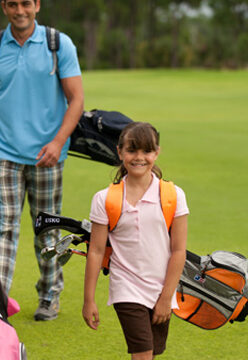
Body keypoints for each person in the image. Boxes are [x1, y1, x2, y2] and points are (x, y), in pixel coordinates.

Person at [0, 0, 84, 321]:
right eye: (13, 4)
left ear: (37, 5)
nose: (20, 10)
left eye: (26, 3)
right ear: (4, 7)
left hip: (48, 156)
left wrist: (58, 143)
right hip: (3, 154)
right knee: (3, 227)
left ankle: (49, 295)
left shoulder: (59, 44)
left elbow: (77, 99)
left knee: (47, 229)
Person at [82, 122, 189, 360]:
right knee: (142, 354)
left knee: (150, 354)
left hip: (161, 289)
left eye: (146, 151)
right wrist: (88, 300)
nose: (139, 157)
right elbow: (96, 251)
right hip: (126, 288)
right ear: (119, 152)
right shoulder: (104, 199)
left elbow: (178, 250)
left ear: (156, 152)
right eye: (132, 150)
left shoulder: (173, 195)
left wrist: (165, 298)